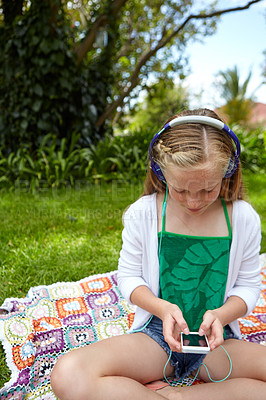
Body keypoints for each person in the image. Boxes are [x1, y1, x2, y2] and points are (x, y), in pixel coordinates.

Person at [51, 108, 264, 400]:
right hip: (155, 339)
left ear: (227, 173)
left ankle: (175, 396)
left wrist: (219, 315)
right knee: (69, 373)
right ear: (160, 172)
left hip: (219, 345)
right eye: (180, 189)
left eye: (206, 189)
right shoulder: (144, 213)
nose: (193, 201)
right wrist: (162, 309)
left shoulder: (243, 218)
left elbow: (248, 286)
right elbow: (128, 277)